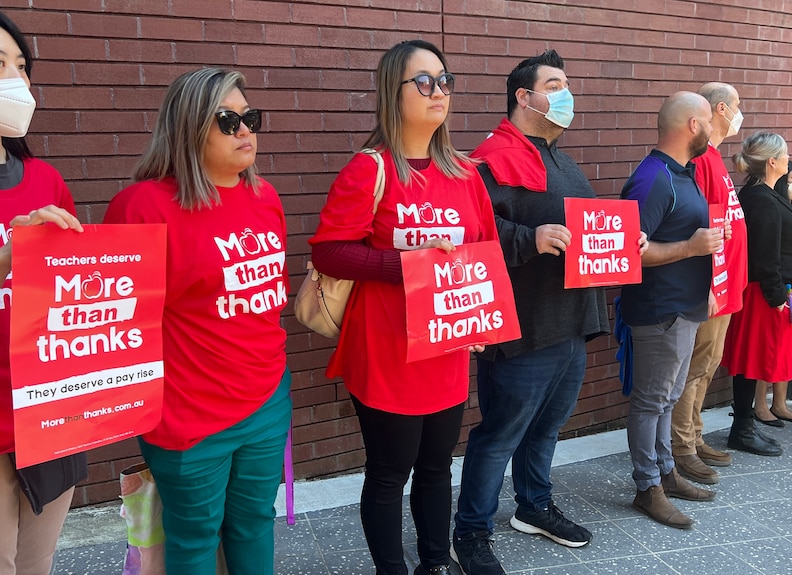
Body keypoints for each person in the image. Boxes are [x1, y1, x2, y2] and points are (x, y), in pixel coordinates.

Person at [308, 40, 498, 575]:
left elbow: (481, 254)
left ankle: (435, 562)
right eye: (424, 81)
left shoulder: (464, 172)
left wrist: (480, 316)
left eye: (445, 80)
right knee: (390, 471)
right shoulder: (370, 169)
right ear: (393, 92)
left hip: (446, 346)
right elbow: (328, 251)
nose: (439, 91)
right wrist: (408, 263)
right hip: (386, 347)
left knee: (438, 467)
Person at [103, 68, 291, 575]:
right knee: (193, 538)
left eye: (249, 118)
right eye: (228, 121)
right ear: (187, 126)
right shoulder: (141, 207)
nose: (245, 130)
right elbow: (115, 321)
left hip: (267, 396)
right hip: (187, 413)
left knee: (255, 522)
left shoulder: (265, 197)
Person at [452, 49, 625, 575]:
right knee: (500, 432)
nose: (566, 93)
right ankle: (472, 534)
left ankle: (534, 507)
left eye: (567, 83)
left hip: (571, 320)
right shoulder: (490, 159)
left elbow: (585, 228)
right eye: (555, 84)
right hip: (520, 326)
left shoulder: (561, 158)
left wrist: (623, 239)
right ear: (523, 97)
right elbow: (468, 232)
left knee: (547, 426)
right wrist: (529, 237)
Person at [0, 11, 88, 575]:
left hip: (47, 417)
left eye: (21, 66)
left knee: (37, 565)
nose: (15, 81)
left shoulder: (46, 181)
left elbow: (79, 304)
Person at [620, 91, 723, 530]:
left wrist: (705, 283)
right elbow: (627, 252)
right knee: (651, 402)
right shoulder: (653, 179)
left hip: (685, 307)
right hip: (660, 311)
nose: (716, 128)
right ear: (693, 126)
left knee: (665, 400)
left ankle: (665, 474)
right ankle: (648, 487)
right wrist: (690, 248)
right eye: (709, 120)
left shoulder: (683, 172)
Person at [722, 133, 792, 457]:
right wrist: (780, 297)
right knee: (751, 360)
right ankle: (742, 428)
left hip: (767, 289)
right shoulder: (761, 199)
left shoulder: (763, 193)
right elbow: (768, 257)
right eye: (785, 156)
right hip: (763, 293)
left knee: (752, 361)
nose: (788, 161)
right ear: (772, 161)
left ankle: (745, 426)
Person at [670, 82, 747, 486]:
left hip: (728, 286)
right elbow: (697, 226)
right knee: (693, 368)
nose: (739, 114)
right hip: (712, 287)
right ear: (721, 108)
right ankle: (681, 446)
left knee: (707, 365)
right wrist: (712, 286)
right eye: (737, 107)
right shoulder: (702, 160)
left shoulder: (716, 158)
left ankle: (694, 436)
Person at [753, 160, 792, 426]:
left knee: (788, 349)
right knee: (768, 348)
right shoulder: (772, 208)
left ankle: (779, 402)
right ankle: (760, 404)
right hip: (780, 287)